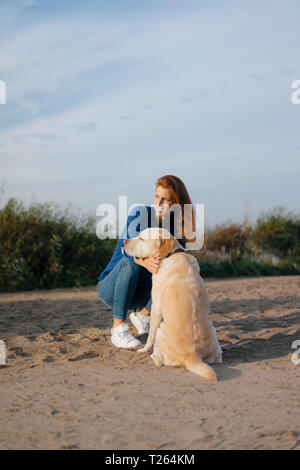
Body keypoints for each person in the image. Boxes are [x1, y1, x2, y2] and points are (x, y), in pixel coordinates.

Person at [97, 175, 195, 348]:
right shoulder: (140, 213)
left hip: (142, 295)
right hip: (112, 288)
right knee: (133, 262)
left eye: (166, 200)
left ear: (177, 204)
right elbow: (125, 249)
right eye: (157, 197)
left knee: (175, 270)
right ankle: (118, 329)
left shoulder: (177, 227)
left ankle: (143, 315)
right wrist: (144, 261)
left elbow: (178, 260)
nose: (159, 203)